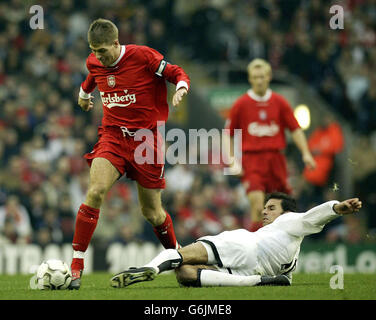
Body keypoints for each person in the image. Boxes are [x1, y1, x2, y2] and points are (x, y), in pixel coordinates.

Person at [70, 18, 190, 289]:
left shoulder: (143, 56)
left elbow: (176, 72)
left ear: (116, 43)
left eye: (102, 50)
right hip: (112, 137)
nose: (97, 56)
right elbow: (91, 78)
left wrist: (181, 88)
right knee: (95, 191)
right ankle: (76, 266)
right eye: (93, 50)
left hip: (146, 142)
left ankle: (178, 256)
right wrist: (83, 94)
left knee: (152, 213)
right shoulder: (95, 62)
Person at [110, 192, 362, 288]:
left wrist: (337, 208)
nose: (264, 212)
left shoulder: (289, 220)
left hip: (246, 245)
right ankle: (255, 283)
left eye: (271, 208)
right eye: (264, 208)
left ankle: (151, 267)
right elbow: (286, 277)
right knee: (185, 274)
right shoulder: (291, 249)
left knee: (183, 254)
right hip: (252, 269)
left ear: (285, 212)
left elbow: (311, 217)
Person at [224, 58, 316, 232]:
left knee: (283, 210)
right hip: (253, 161)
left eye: (262, 76)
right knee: (258, 206)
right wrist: (232, 161)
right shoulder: (241, 104)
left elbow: (295, 129)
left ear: (269, 77)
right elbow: (227, 134)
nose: (259, 80)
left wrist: (306, 153)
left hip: (276, 160)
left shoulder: (280, 102)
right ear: (250, 79)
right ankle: (255, 246)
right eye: (255, 77)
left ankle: (279, 246)